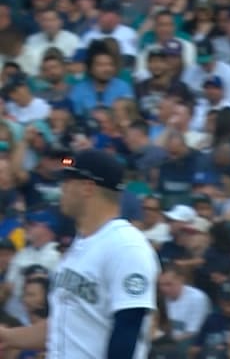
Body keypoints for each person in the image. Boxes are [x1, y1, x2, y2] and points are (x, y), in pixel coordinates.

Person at [0, 149, 160, 358]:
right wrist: (9, 337)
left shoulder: (126, 247)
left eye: (67, 182)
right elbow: (63, 327)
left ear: (87, 188)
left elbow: (128, 327)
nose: (61, 189)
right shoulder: (81, 244)